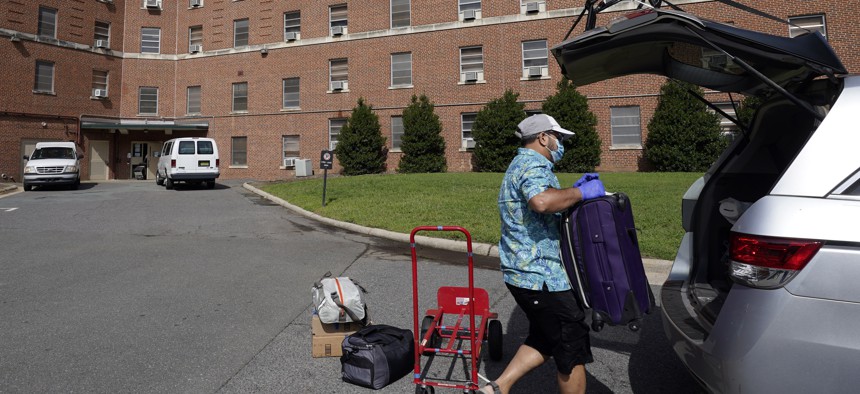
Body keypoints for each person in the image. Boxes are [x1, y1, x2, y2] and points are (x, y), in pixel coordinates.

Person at [484, 114, 605, 394]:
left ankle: (496, 389)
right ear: (543, 138)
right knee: (571, 345)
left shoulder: (520, 164)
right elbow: (540, 201)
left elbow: (543, 200)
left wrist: (572, 191)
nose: (560, 143)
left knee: (545, 338)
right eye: (558, 137)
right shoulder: (533, 164)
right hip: (541, 276)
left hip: (522, 274)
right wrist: (581, 192)